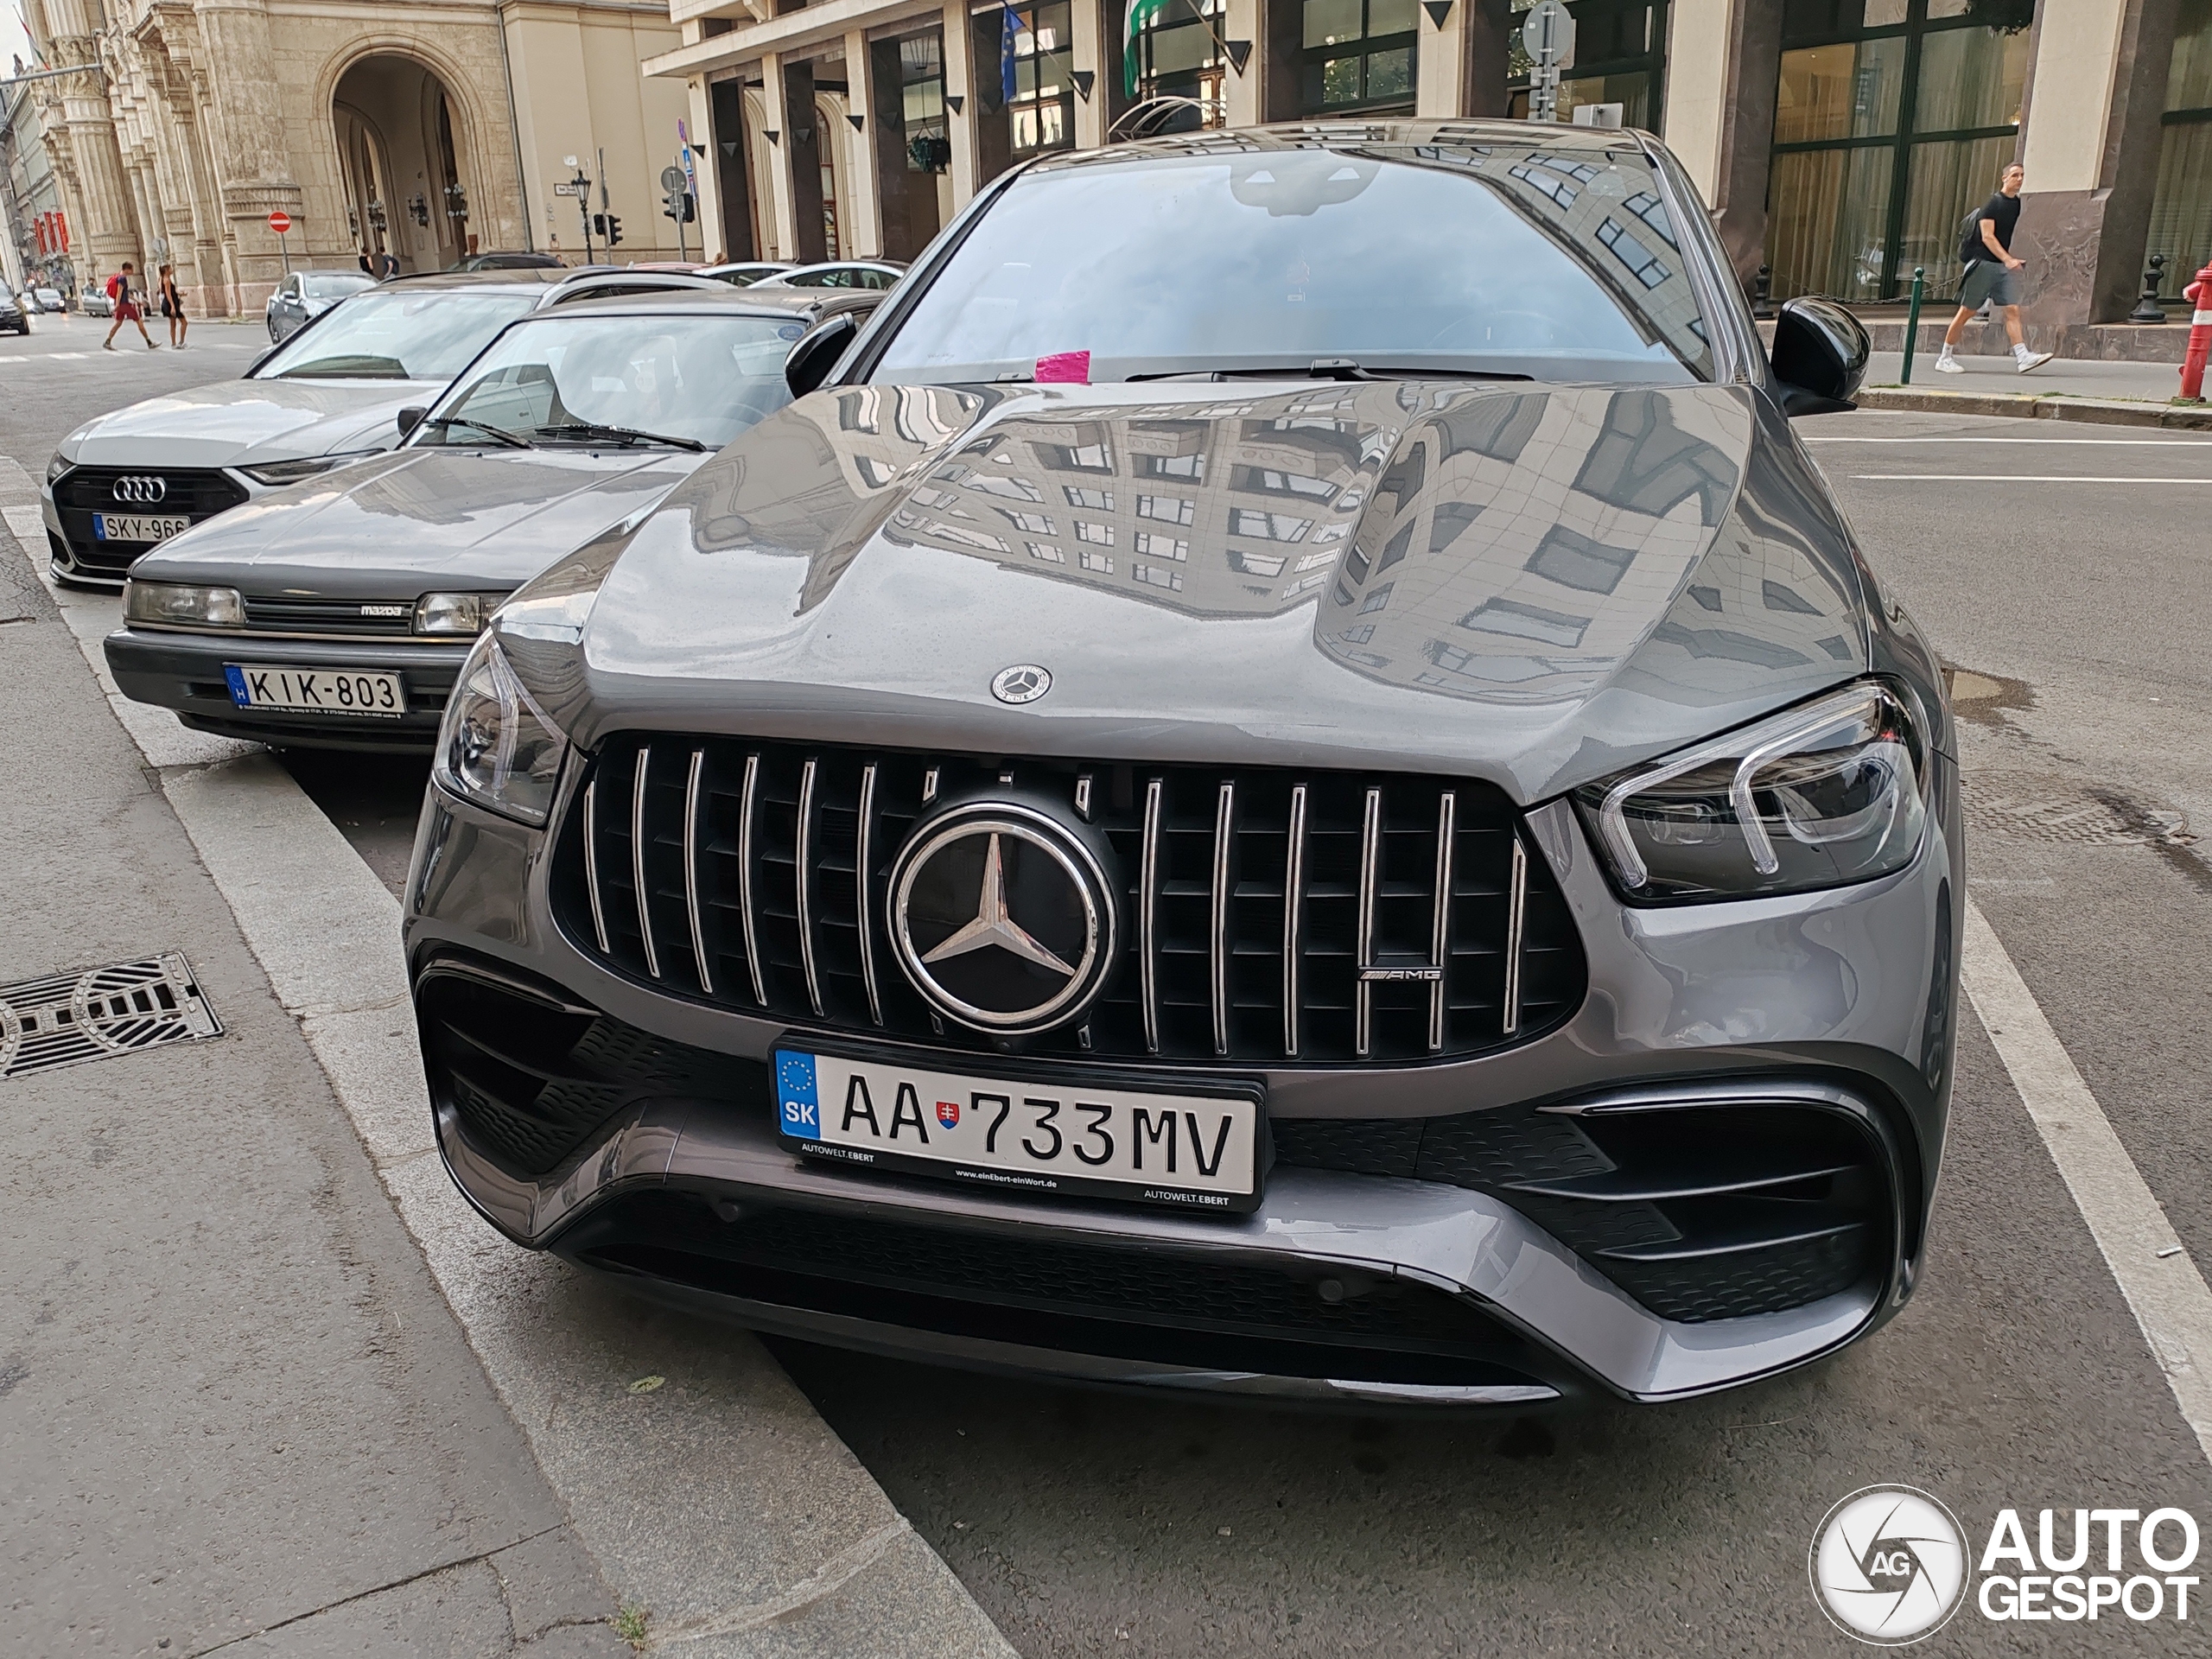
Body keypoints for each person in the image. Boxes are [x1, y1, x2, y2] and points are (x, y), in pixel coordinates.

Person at [1936, 162, 2053, 376]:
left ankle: (2023, 357)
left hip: (2000, 266)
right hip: (1983, 263)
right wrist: (2008, 259)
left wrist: (2008, 261)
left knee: (2012, 310)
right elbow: (1987, 236)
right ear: (2004, 178)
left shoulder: (2016, 204)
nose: (2019, 179)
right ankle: (1945, 357)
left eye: (2022, 175)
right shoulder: (1993, 204)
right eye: (2015, 175)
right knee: (1966, 312)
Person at [101, 262, 159, 351]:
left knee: (118, 323)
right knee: (139, 321)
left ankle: (107, 341)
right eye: (131, 269)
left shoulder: (118, 277)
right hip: (125, 305)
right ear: (127, 270)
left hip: (121, 305)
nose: (132, 271)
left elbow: (126, 293)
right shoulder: (122, 279)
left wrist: (138, 301)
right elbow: (119, 293)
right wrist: (117, 305)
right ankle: (149, 342)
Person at [157, 263, 188, 349]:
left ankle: (174, 344)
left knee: (173, 324)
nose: (172, 270)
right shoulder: (167, 280)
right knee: (184, 322)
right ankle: (181, 342)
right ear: (166, 270)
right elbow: (168, 294)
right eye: (170, 268)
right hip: (171, 303)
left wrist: (180, 294)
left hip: (168, 303)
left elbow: (170, 291)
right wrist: (173, 306)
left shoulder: (162, 278)